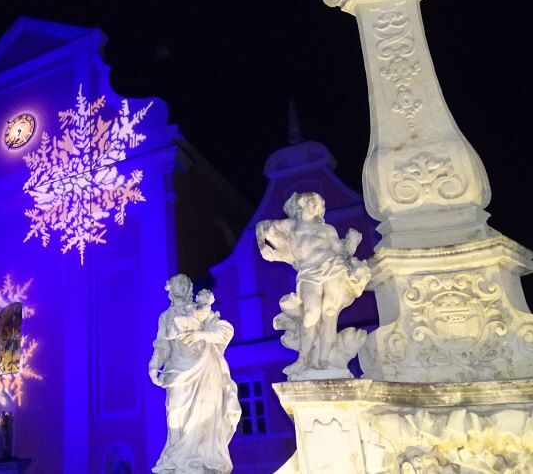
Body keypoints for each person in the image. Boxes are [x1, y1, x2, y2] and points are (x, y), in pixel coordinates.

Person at [257, 192, 369, 375]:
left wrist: (352, 245)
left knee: (330, 312)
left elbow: (341, 252)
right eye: (311, 202)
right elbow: (262, 226)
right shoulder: (291, 226)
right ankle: (303, 359)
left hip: (334, 268)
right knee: (311, 314)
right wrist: (264, 248)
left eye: (318, 204)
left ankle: (325, 359)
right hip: (309, 273)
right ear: (301, 204)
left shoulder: (328, 229)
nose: (315, 206)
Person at [149, 276, 240, 474]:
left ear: (189, 289)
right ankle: (176, 458)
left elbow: (225, 330)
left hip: (205, 368)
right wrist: (154, 364)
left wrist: (200, 334)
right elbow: (163, 345)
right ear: (169, 289)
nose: (182, 287)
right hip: (177, 370)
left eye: (185, 284)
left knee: (204, 413)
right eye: (178, 283)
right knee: (175, 415)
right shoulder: (165, 317)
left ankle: (200, 458)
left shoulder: (200, 311)